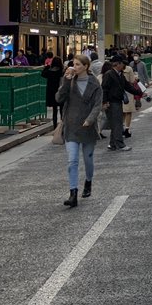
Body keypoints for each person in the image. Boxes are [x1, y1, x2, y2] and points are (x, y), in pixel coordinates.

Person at [56, 54, 103, 208]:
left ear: (85, 66)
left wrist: (90, 119)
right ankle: (73, 192)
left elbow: (97, 105)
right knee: (72, 161)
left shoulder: (95, 83)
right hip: (71, 126)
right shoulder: (68, 81)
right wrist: (66, 81)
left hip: (87, 127)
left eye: (77, 65)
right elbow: (59, 98)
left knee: (88, 160)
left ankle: (88, 181)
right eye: (73, 64)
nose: (74, 67)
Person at [101, 57, 132, 151]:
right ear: (117, 64)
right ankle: (120, 144)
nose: (124, 66)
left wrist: (140, 93)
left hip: (118, 101)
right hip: (111, 102)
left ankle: (112, 144)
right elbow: (104, 89)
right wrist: (105, 102)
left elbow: (128, 86)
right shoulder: (109, 74)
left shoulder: (120, 74)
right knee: (117, 123)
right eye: (123, 64)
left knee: (115, 124)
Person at [41, 56, 64, 128]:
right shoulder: (61, 71)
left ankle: (54, 125)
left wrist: (47, 66)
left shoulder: (49, 71)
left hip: (51, 92)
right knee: (61, 109)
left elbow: (43, 74)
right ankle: (62, 125)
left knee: (54, 110)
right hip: (60, 91)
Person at [122, 62, 140, 137]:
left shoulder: (114, 69)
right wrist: (136, 80)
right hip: (128, 92)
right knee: (128, 112)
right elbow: (132, 81)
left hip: (119, 92)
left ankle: (121, 127)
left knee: (121, 111)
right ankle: (127, 128)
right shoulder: (129, 69)